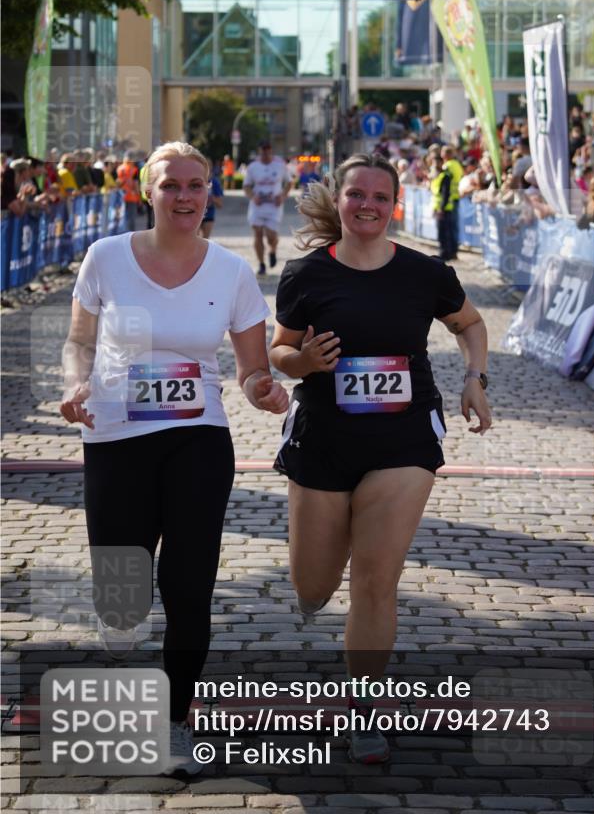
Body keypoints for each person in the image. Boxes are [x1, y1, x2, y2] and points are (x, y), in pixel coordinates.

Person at [59, 141, 288, 777]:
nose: (184, 196)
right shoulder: (106, 257)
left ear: (210, 191)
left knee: (189, 587)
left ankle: (175, 716)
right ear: (148, 192)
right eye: (171, 186)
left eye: (195, 185)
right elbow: (78, 342)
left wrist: (263, 391)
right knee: (122, 600)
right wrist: (76, 385)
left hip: (197, 439)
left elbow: (250, 370)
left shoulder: (231, 273)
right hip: (115, 439)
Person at [269, 154, 492, 764]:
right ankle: (332, 537)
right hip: (323, 438)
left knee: (375, 580)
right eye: (355, 194)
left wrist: (476, 378)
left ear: (395, 203)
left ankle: (364, 711)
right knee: (312, 588)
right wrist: (304, 362)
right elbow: (279, 352)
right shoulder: (304, 274)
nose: (366, 205)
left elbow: (469, 324)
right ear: (338, 201)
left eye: (379, 196)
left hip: (403, 440)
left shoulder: (425, 273)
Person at [243, 141, 290, 275]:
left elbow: (290, 182)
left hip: (274, 206)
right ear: (260, 152)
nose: (266, 155)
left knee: (271, 236)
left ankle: (273, 250)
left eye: (268, 152)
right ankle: (261, 264)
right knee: (257, 234)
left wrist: (283, 196)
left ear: (271, 151)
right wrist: (253, 197)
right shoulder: (253, 167)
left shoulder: (280, 165)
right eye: (263, 152)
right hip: (257, 206)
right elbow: (246, 186)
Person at [200, 167, 224, 238]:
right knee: (193, 239)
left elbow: (220, 204)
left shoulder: (214, 182)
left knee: (205, 239)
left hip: (209, 214)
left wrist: (211, 198)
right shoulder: (190, 180)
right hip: (194, 213)